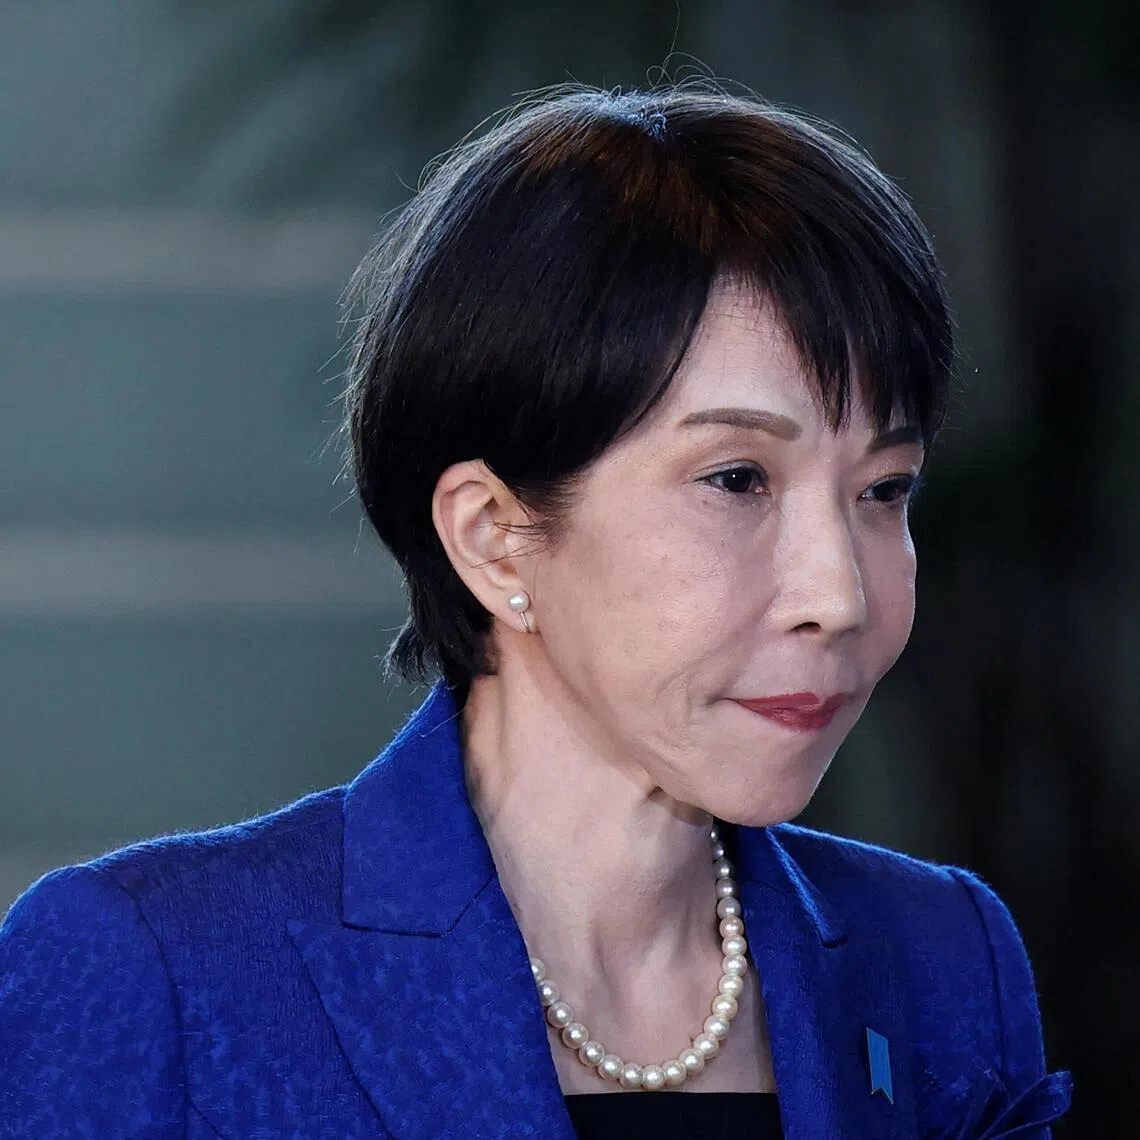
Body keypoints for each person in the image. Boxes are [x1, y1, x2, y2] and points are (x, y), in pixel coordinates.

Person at [0, 84, 1071, 1139]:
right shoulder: (160, 970)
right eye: (738, 480)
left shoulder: (936, 959)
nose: (837, 595)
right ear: (492, 534)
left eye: (883, 490)